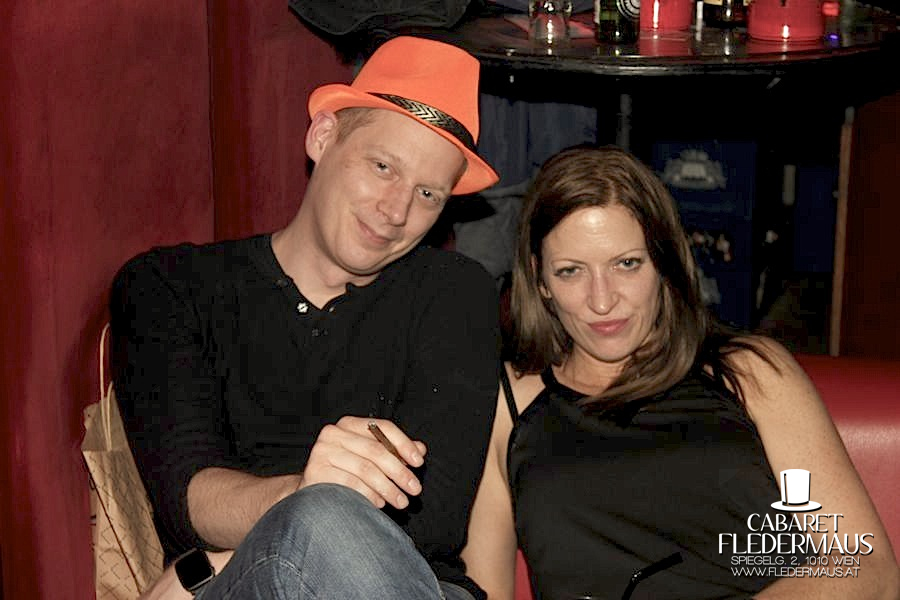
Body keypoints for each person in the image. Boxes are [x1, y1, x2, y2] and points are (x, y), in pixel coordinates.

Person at [110, 36, 502, 600]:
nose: (396, 211)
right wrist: (303, 498)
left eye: (427, 194)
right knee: (320, 518)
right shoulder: (173, 285)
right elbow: (187, 500)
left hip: (416, 585)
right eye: (383, 166)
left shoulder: (455, 293)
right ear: (322, 137)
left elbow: (433, 519)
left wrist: (224, 560)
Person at [461, 145, 900, 599]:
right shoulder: (506, 405)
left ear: (664, 262)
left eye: (627, 264)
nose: (602, 300)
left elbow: (869, 571)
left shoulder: (746, 371)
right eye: (571, 271)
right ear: (540, 281)